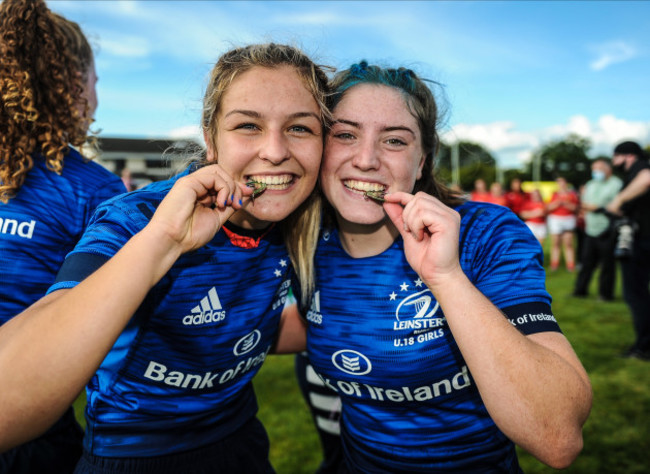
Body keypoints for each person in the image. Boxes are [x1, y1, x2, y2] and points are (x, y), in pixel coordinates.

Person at [0, 42, 330, 473]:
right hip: (131, 455)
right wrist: (164, 240)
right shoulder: (138, 217)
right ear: (211, 140)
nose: (274, 150)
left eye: (300, 128)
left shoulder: (304, 219)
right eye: (248, 125)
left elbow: (245, 327)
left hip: (242, 443)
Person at [283, 61, 592, 472]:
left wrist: (445, 278)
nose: (366, 159)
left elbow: (557, 436)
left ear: (423, 160)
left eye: (394, 140)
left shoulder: (483, 234)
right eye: (345, 134)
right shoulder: (300, 241)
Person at [0, 0, 127, 471]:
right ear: (70, 84)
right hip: (31, 424)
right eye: (94, 82)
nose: (95, 97)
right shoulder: (91, 188)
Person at [606, 141, 650, 361]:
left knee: (636, 295)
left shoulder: (640, 168)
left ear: (628, 156)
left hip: (641, 242)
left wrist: (619, 200)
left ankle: (644, 347)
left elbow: (647, 179)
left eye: (616, 157)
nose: (614, 162)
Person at [573, 159, 622, 301]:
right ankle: (580, 290)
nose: (596, 172)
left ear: (608, 169)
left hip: (607, 229)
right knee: (586, 262)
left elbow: (618, 207)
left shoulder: (616, 184)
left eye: (599, 168)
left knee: (607, 265)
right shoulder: (591, 184)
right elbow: (584, 203)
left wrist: (598, 207)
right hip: (590, 229)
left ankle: (606, 294)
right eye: (594, 169)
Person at [547, 176, 579, 271]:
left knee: (568, 243)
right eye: (559, 183)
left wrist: (566, 204)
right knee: (555, 243)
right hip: (556, 219)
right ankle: (554, 264)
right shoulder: (554, 195)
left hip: (568, 219)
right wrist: (557, 203)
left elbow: (576, 208)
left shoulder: (572, 195)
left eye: (563, 182)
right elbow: (548, 207)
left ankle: (570, 265)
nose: (561, 185)